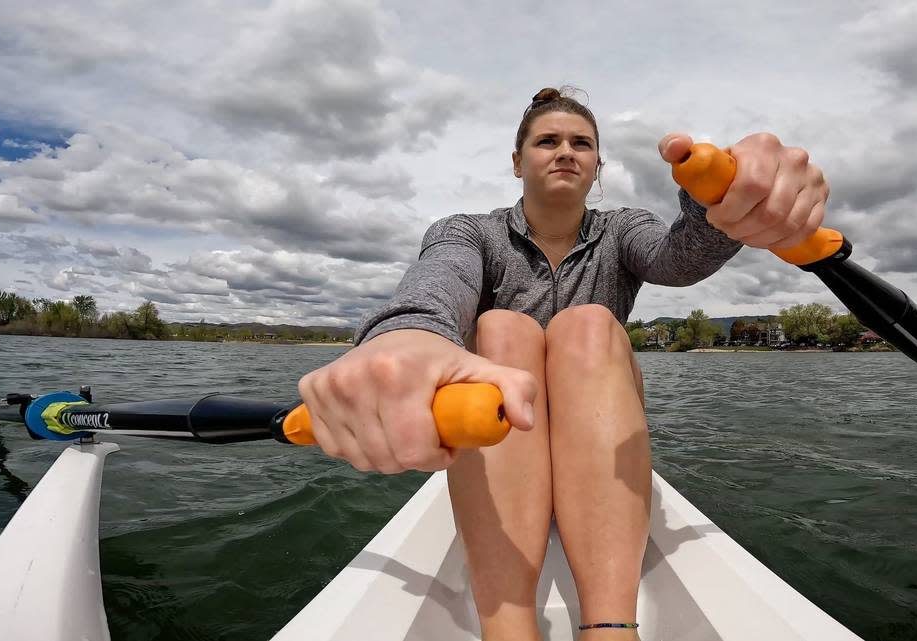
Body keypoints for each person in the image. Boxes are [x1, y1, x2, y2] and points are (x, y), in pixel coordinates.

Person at [298, 86, 829, 641]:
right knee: (501, 326)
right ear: (517, 161)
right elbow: (438, 283)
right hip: (503, 429)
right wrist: (406, 334)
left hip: (594, 410)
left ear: (598, 165)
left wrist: (727, 199)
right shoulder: (470, 232)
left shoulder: (622, 230)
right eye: (547, 140)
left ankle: (609, 627)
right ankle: (508, 628)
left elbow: (678, 260)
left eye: (582, 143)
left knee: (588, 322)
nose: (565, 151)